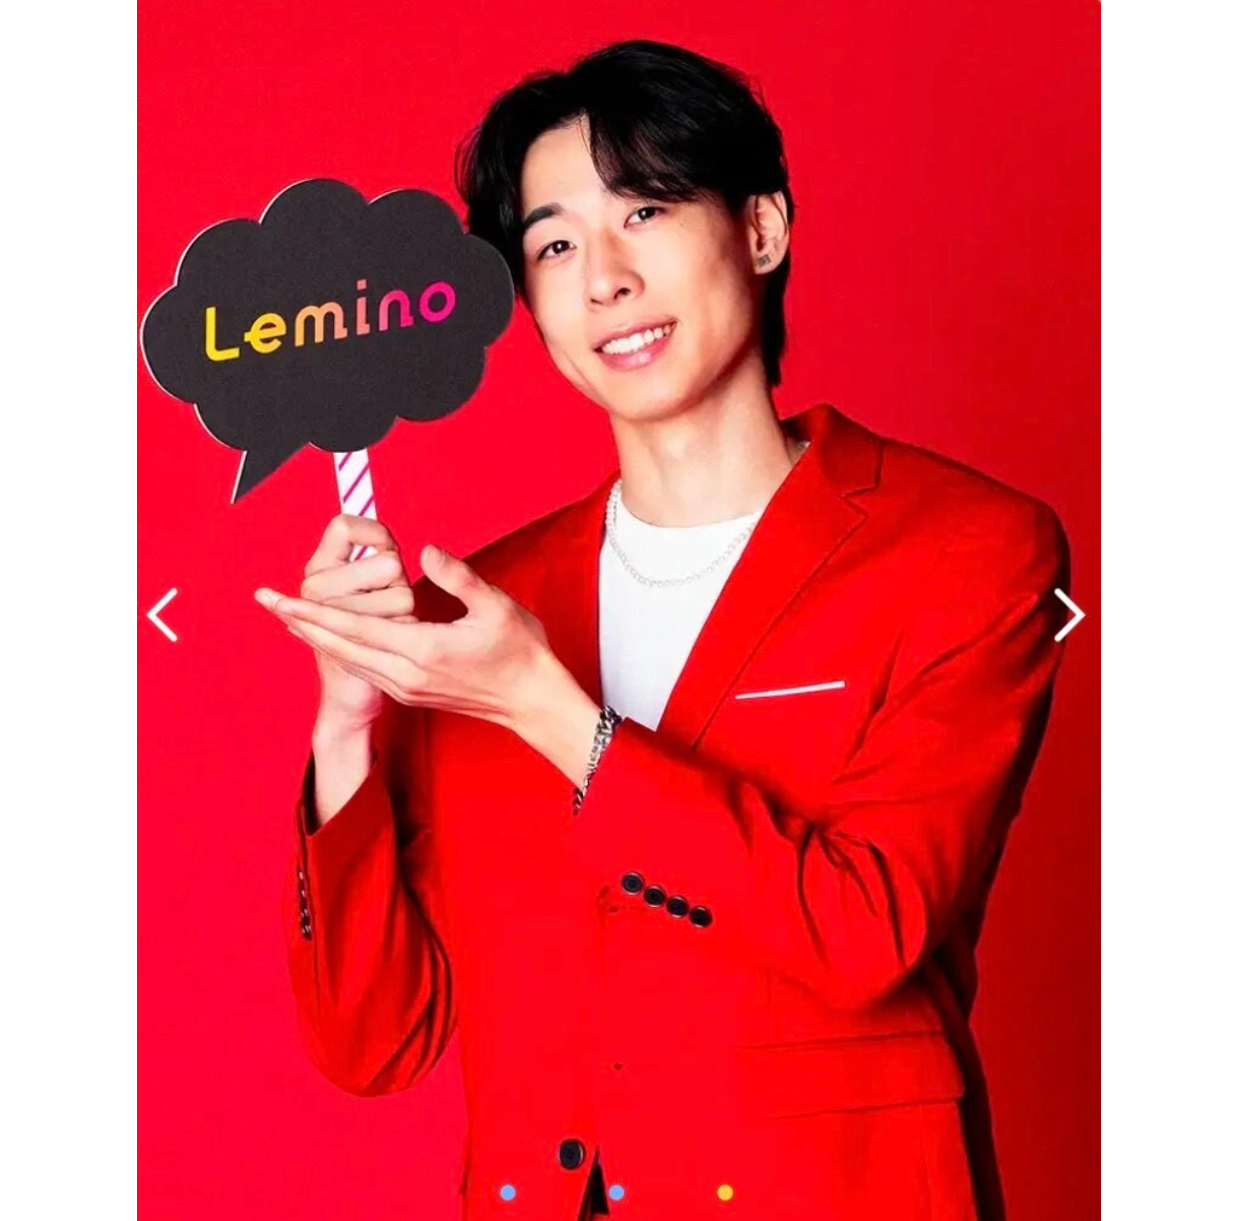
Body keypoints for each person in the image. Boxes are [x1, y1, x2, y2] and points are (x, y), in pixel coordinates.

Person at [256, 39, 1071, 1221]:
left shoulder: (967, 551)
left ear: (761, 229)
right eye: (554, 245)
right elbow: (373, 1041)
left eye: (644, 209)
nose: (605, 279)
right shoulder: (480, 606)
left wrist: (543, 706)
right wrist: (348, 725)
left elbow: (865, 932)